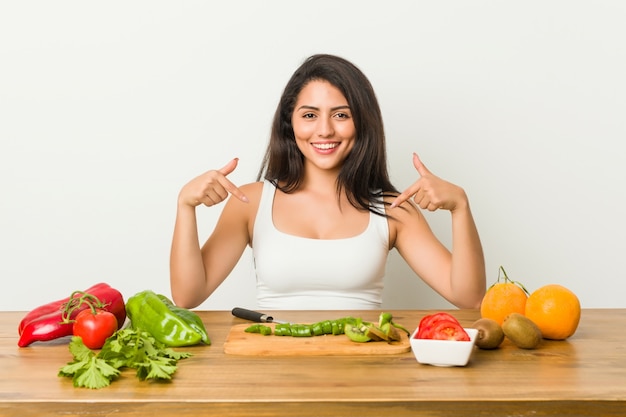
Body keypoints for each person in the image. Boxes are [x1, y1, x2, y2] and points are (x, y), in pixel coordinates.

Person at [170, 54, 485, 310]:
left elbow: (468, 298)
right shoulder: (249, 203)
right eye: (309, 115)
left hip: (363, 376)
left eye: (341, 115)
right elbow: (188, 297)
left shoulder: (393, 209)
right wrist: (186, 206)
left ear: (362, 123)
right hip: (275, 373)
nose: (324, 131)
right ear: (289, 123)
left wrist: (460, 208)